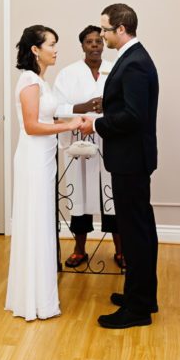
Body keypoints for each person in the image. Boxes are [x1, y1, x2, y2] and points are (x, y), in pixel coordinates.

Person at [79, 3, 159, 329]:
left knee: (136, 232)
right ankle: (142, 295)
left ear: (121, 30)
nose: (102, 35)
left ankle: (138, 309)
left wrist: (96, 125)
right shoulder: (132, 58)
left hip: (131, 161)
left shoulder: (135, 63)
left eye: (105, 30)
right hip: (130, 159)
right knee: (138, 229)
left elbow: (134, 117)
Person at [4, 25, 83, 321]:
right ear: (36, 49)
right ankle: (33, 300)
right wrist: (70, 125)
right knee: (36, 222)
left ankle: (39, 296)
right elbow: (32, 126)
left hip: (45, 158)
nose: (56, 49)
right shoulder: (28, 80)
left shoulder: (40, 81)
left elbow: (46, 116)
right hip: (33, 159)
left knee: (42, 222)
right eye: (52, 44)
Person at [53, 24, 123, 269]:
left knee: (111, 194)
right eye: (89, 42)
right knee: (78, 194)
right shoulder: (68, 73)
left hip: (107, 139)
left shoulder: (114, 70)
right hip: (78, 143)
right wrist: (84, 107)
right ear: (82, 45)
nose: (94, 45)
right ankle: (79, 249)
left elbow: (126, 105)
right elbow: (55, 109)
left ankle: (120, 250)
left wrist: (107, 108)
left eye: (98, 41)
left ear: (104, 44)